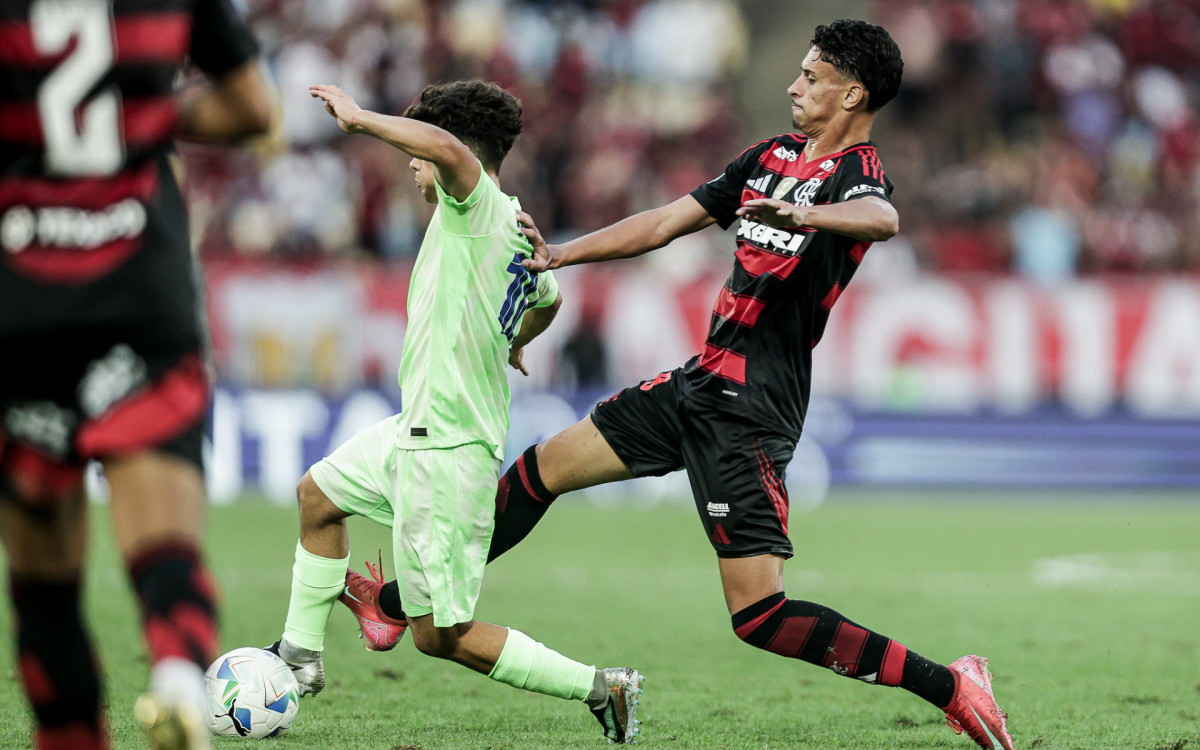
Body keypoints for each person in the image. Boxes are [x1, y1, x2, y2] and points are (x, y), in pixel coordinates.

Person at [344, 19, 1016, 750]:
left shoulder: (857, 176)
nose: (794, 85)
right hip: (697, 385)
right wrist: (566, 253)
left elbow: (881, 219)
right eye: (797, 71)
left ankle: (951, 685)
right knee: (539, 472)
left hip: (752, 412)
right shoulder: (768, 158)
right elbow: (668, 221)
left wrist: (804, 214)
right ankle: (393, 602)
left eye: (812, 76)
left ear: (852, 93)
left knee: (759, 617)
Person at [268, 80, 644, 745]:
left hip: (446, 449)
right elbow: (550, 296)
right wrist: (519, 340)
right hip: (417, 429)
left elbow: (442, 148)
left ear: (457, 153)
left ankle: (601, 687)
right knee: (317, 496)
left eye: (422, 151)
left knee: (441, 638)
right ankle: (299, 660)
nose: (414, 163)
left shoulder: (477, 205)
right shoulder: (514, 221)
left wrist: (359, 120)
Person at [0, 1, 272, 749]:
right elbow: (254, 107)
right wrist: (140, 115)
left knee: (44, 591)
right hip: (137, 291)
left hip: (19, 298)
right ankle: (181, 680)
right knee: (167, 549)